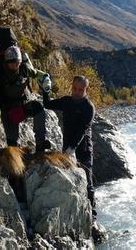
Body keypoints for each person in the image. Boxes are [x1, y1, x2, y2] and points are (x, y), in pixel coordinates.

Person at [42, 75, 98, 222]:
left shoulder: (89, 107)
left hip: (84, 150)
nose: (77, 92)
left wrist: (71, 149)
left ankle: (93, 218)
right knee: (69, 181)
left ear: (86, 89)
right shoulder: (67, 101)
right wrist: (46, 88)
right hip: (67, 148)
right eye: (74, 88)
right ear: (71, 86)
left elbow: (82, 130)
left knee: (88, 184)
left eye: (81, 90)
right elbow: (47, 104)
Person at [0, 45, 51, 153]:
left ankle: (40, 145)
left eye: (17, 62)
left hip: (22, 107)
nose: (14, 66)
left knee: (38, 107)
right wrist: (6, 107)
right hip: (8, 112)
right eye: (11, 63)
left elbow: (36, 73)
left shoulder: (24, 69)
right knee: (13, 146)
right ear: (6, 62)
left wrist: (46, 78)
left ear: (20, 61)